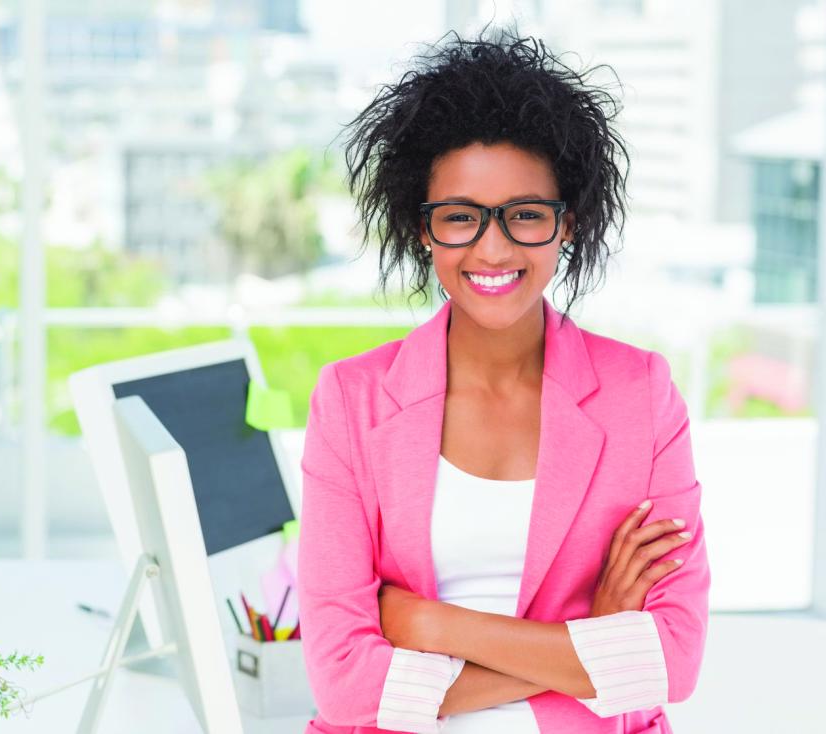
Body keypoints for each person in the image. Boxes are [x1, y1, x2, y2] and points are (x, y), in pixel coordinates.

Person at [296, 23, 710, 734]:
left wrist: (428, 623)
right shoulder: (352, 402)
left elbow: (673, 662)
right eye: (461, 218)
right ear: (424, 229)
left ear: (567, 223)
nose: (493, 248)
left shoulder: (640, 394)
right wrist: (595, 639)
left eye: (525, 215)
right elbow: (340, 683)